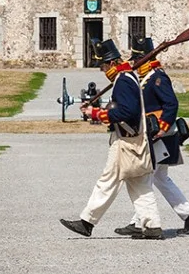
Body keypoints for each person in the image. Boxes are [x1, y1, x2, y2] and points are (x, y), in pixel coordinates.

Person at [59, 38, 163, 239]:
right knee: (140, 185)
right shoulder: (127, 77)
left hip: (126, 142)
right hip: (134, 139)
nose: (102, 69)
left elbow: (125, 111)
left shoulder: (123, 81)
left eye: (104, 65)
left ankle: (87, 222)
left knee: (107, 181)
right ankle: (152, 226)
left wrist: (96, 114)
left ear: (112, 63)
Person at [116, 36, 189, 236]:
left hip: (162, 136)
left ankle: (140, 223)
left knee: (145, 176)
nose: (135, 63)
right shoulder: (146, 78)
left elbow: (171, 104)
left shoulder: (158, 77)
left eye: (139, 59)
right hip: (157, 135)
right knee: (161, 178)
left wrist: (162, 127)